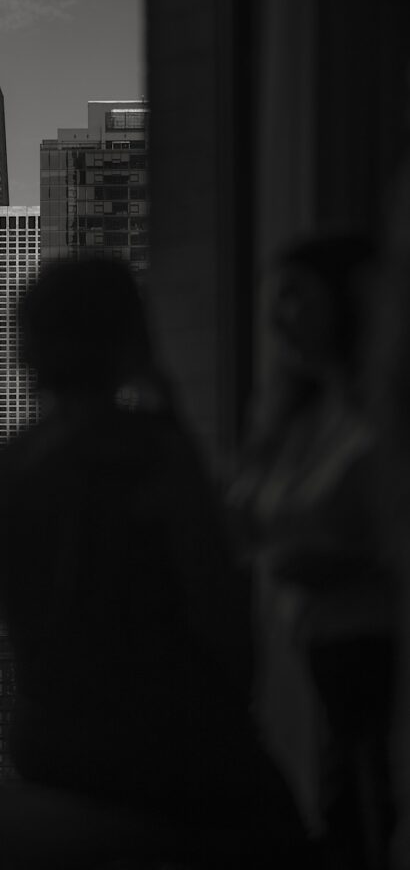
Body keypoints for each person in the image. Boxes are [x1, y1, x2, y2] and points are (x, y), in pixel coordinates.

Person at [0, 255, 318, 868]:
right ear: (129, 337)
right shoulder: (154, 457)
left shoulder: (3, 472)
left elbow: (17, 624)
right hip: (160, 748)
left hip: (45, 742)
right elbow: (231, 638)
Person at [228, 231, 396, 870]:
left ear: (347, 300)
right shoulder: (292, 417)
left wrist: (350, 566)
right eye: (275, 300)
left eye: (295, 296)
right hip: (306, 663)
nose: (278, 317)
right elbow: (239, 521)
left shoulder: (380, 416)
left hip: (375, 662)